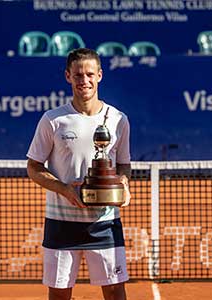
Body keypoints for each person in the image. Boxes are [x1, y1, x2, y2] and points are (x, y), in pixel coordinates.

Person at [26, 48, 131, 300]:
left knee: (116, 291)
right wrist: (65, 189)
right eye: (78, 75)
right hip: (61, 222)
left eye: (89, 74)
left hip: (105, 223)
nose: (84, 80)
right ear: (68, 76)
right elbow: (34, 167)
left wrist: (123, 185)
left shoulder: (118, 119)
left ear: (100, 76)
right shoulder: (53, 120)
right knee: (60, 293)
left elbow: (124, 165)